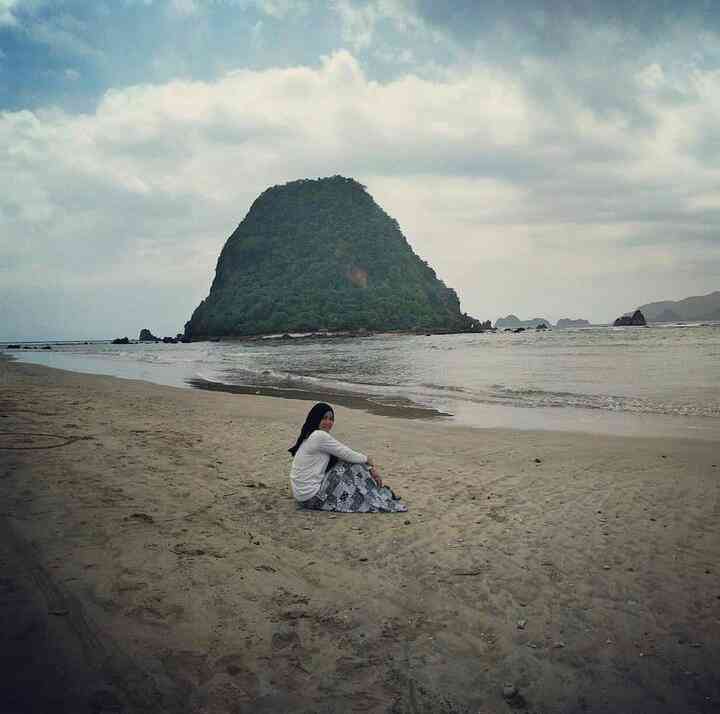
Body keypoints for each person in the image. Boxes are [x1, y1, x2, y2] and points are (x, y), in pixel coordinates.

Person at [288, 402, 407, 513]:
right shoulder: (319, 436)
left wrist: (367, 465)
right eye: (324, 418)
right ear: (316, 418)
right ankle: (376, 494)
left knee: (346, 463)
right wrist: (368, 462)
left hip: (302, 498)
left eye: (331, 419)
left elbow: (342, 453)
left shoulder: (309, 436)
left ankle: (375, 492)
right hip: (312, 498)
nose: (328, 422)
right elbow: (347, 453)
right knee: (352, 464)